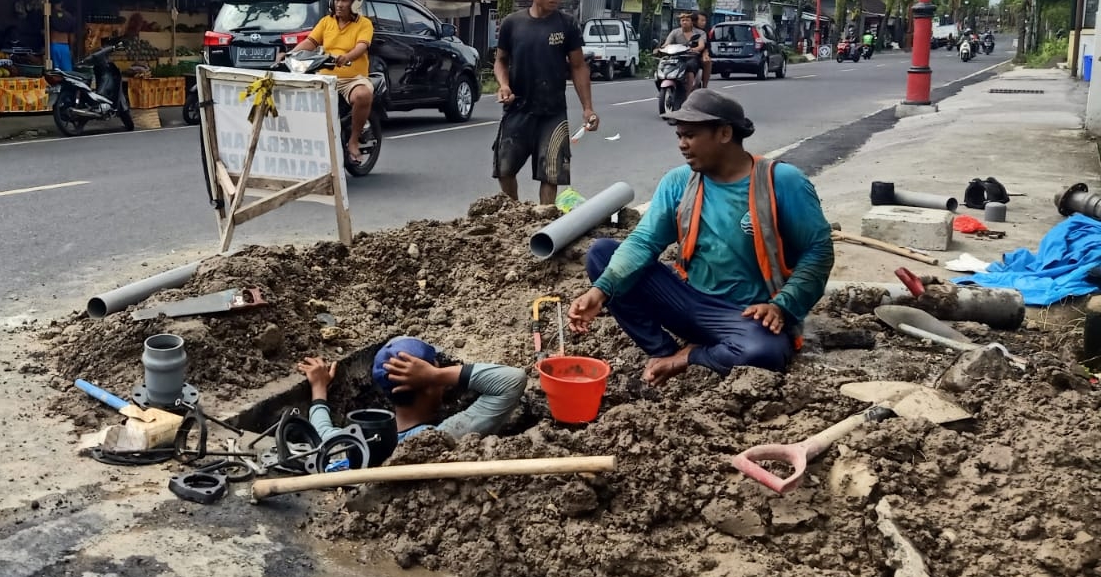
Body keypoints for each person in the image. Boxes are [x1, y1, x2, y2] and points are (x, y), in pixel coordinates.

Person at [567, 91, 834, 386]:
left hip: (748, 316)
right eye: (680, 135)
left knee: (764, 353)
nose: (682, 144)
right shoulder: (679, 182)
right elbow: (644, 242)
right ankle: (663, 351)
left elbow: (818, 251)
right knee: (602, 255)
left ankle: (688, 356)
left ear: (724, 133)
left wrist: (782, 306)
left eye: (691, 135)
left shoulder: (782, 182)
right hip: (688, 300)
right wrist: (601, 291)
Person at [492, 0, 600, 205]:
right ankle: (515, 215)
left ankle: (543, 226)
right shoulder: (512, 24)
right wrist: (504, 85)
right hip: (517, 108)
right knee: (505, 169)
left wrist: (588, 107)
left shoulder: (567, 24)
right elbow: (500, 61)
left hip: (553, 112)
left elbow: (578, 66)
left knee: (550, 175)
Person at [299, 337, 526, 446]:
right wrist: (437, 375)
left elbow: (322, 431)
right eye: (435, 367)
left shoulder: (356, 443)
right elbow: (512, 381)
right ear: (428, 385)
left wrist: (319, 387)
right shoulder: (438, 439)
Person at [296, 0, 374, 165]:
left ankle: (353, 140)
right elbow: (311, 42)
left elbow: (362, 46)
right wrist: (291, 54)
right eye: (337, 0)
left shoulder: (364, 24)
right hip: (325, 76)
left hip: (352, 79)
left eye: (344, 1)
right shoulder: (326, 22)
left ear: (354, 3)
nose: (339, 4)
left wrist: (347, 57)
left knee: (363, 95)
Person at [662, 11, 707, 100]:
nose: (685, 22)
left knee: (689, 69)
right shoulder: (675, 32)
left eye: (687, 20)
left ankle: (688, 95)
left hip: (691, 57)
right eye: (683, 20)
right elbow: (667, 43)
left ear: (691, 22)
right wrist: (660, 49)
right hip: (676, 57)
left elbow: (701, 45)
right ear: (680, 22)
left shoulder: (699, 33)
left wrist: (694, 49)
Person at [693, 9, 713, 89]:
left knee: (707, 62)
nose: (704, 22)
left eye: (705, 20)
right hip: (683, 54)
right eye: (701, 20)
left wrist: (706, 53)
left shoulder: (703, 33)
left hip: (698, 55)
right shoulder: (681, 30)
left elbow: (707, 46)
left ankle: (704, 87)